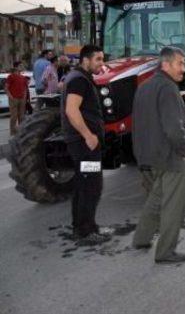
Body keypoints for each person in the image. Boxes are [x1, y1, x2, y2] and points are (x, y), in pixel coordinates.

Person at [131, 47, 185, 264]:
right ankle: (165, 251)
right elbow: (174, 129)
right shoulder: (168, 88)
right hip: (170, 156)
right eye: (180, 64)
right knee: (174, 205)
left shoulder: (144, 87)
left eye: (184, 64)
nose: (183, 69)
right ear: (165, 65)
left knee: (156, 198)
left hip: (148, 156)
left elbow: (137, 125)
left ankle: (141, 238)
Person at [61, 45, 111, 244]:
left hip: (82, 143)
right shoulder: (79, 80)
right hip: (84, 145)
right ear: (85, 60)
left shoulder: (78, 78)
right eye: (98, 59)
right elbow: (72, 110)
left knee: (83, 184)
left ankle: (84, 227)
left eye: (102, 58)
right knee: (91, 185)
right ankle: (85, 231)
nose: (102, 63)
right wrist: (88, 135)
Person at [5, 62, 29, 135]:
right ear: (16, 67)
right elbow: (6, 88)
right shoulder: (11, 76)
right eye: (20, 66)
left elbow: (25, 88)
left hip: (22, 98)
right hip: (14, 99)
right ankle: (13, 131)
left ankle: (21, 130)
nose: (22, 67)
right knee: (14, 116)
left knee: (22, 116)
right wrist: (11, 97)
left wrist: (24, 98)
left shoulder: (23, 77)